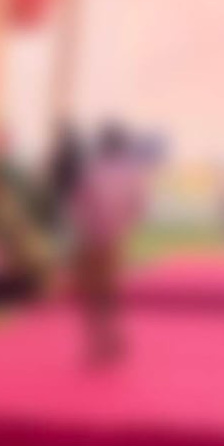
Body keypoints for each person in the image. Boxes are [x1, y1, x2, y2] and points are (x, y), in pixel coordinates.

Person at [68, 122, 148, 368]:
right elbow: (138, 206)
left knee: (93, 293)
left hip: (92, 237)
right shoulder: (131, 173)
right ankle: (111, 338)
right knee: (108, 291)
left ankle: (101, 341)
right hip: (115, 238)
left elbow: (79, 204)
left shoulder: (93, 170)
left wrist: (85, 226)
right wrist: (123, 225)